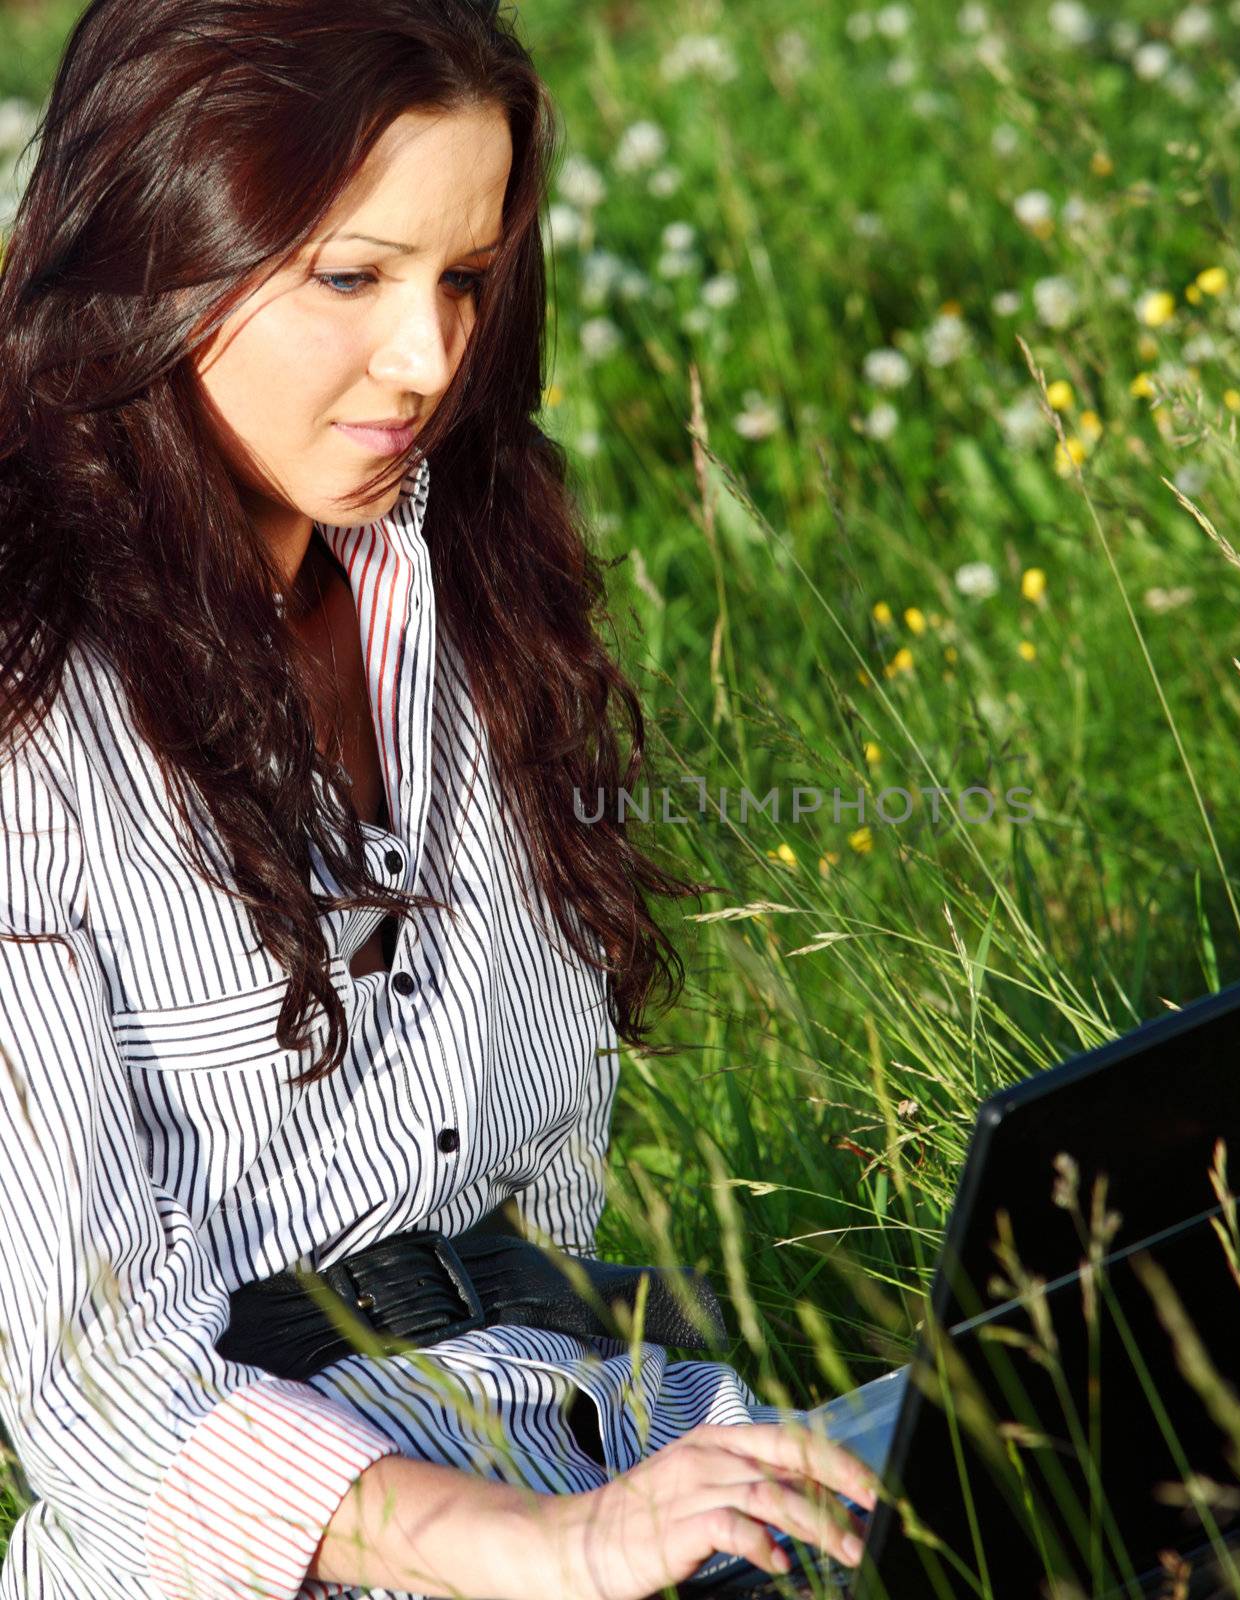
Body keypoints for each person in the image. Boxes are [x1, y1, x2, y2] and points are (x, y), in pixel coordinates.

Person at [0, 2, 878, 1597]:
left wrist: (615, 1503)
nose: (429, 360)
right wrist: (544, 1549)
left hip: (594, 1436)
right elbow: (93, 1394)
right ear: (160, 240)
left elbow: (536, 1195)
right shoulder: (31, 722)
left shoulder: (468, 594)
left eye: (464, 278)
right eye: (354, 275)